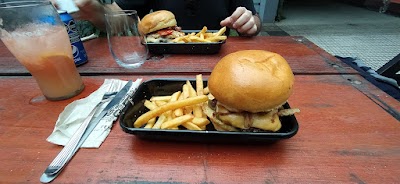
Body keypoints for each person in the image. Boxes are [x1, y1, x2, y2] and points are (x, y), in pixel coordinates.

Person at [53, 0, 262, 37]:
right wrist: (95, 11)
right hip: (162, 58)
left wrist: (250, 24)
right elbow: (119, 17)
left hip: (219, 55)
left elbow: (254, 18)